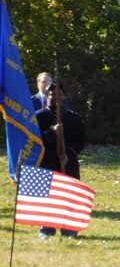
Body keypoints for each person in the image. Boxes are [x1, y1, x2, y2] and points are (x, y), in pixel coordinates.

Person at [34, 81, 87, 238]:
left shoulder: (74, 118)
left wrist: (68, 155)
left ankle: (69, 229)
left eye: (59, 95)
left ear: (63, 97)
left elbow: (80, 141)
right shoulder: (38, 117)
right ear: (47, 96)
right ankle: (46, 229)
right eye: (51, 94)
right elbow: (35, 140)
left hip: (68, 164)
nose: (55, 97)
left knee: (68, 196)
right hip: (47, 162)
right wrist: (51, 132)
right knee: (48, 197)